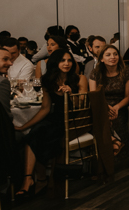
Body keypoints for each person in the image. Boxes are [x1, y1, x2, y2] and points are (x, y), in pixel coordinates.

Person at [14, 50, 89, 197]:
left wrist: (71, 94)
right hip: (55, 118)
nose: (67, 64)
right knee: (33, 133)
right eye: (62, 60)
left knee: (40, 136)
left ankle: (38, 180)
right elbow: (45, 109)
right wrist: (24, 126)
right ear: (55, 63)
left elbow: (83, 104)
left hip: (74, 119)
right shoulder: (48, 81)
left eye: (69, 60)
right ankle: (29, 179)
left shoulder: (80, 79)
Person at [89, 45, 129, 156]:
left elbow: (128, 96)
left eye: (115, 54)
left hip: (121, 106)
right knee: (103, 119)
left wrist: (116, 107)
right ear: (101, 59)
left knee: (117, 119)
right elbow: (94, 96)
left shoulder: (127, 72)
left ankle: (116, 152)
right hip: (101, 106)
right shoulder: (95, 73)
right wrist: (106, 108)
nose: (113, 57)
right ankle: (111, 149)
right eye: (108, 55)